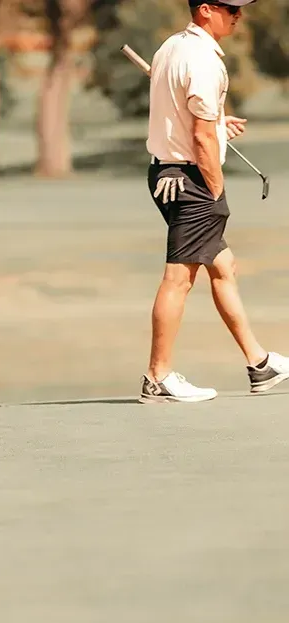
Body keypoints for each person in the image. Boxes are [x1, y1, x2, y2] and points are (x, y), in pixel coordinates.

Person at [141, 0, 289, 403]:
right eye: (230, 8)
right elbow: (201, 137)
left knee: (222, 266)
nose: (238, 15)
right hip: (190, 181)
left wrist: (220, 123)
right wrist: (216, 193)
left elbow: (183, 116)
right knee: (179, 278)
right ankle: (157, 377)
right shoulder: (204, 60)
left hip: (167, 172)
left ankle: (259, 364)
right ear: (205, 10)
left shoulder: (172, 46)